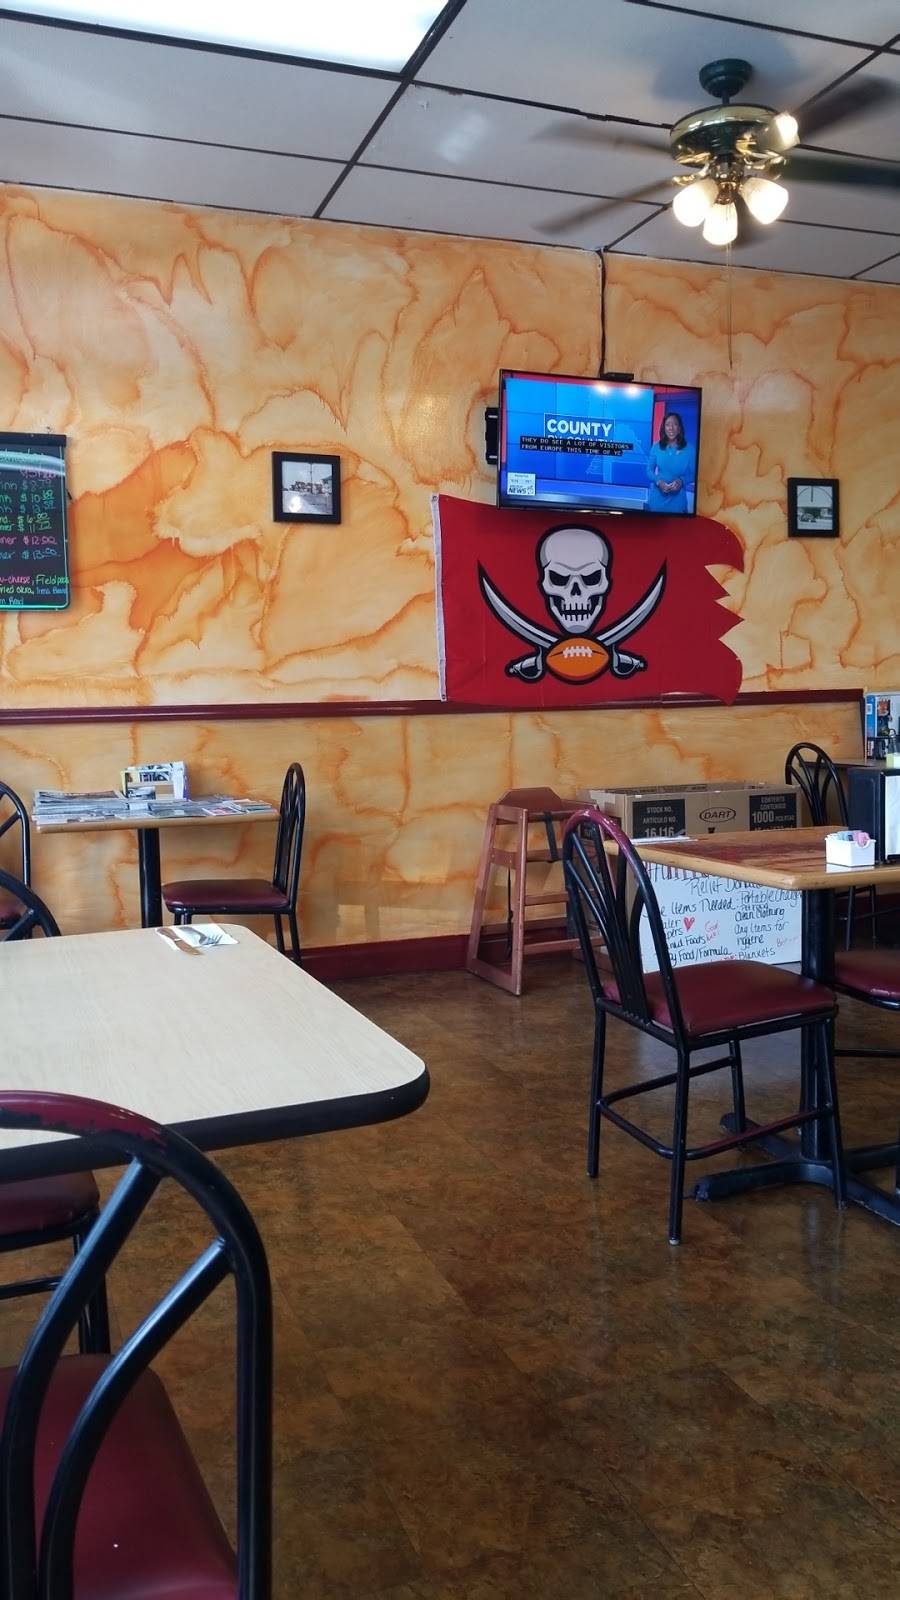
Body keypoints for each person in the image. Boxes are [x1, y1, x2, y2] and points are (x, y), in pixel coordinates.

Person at [646, 411, 695, 513]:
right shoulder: (656, 447)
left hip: (678, 505)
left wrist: (681, 481)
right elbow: (649, 470)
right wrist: (658, 481)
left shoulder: (689, 449)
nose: (671, 428)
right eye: (667, 425)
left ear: (679, 428)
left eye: (675, 424)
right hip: (656, 503)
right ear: (664, 428)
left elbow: (695, 474)